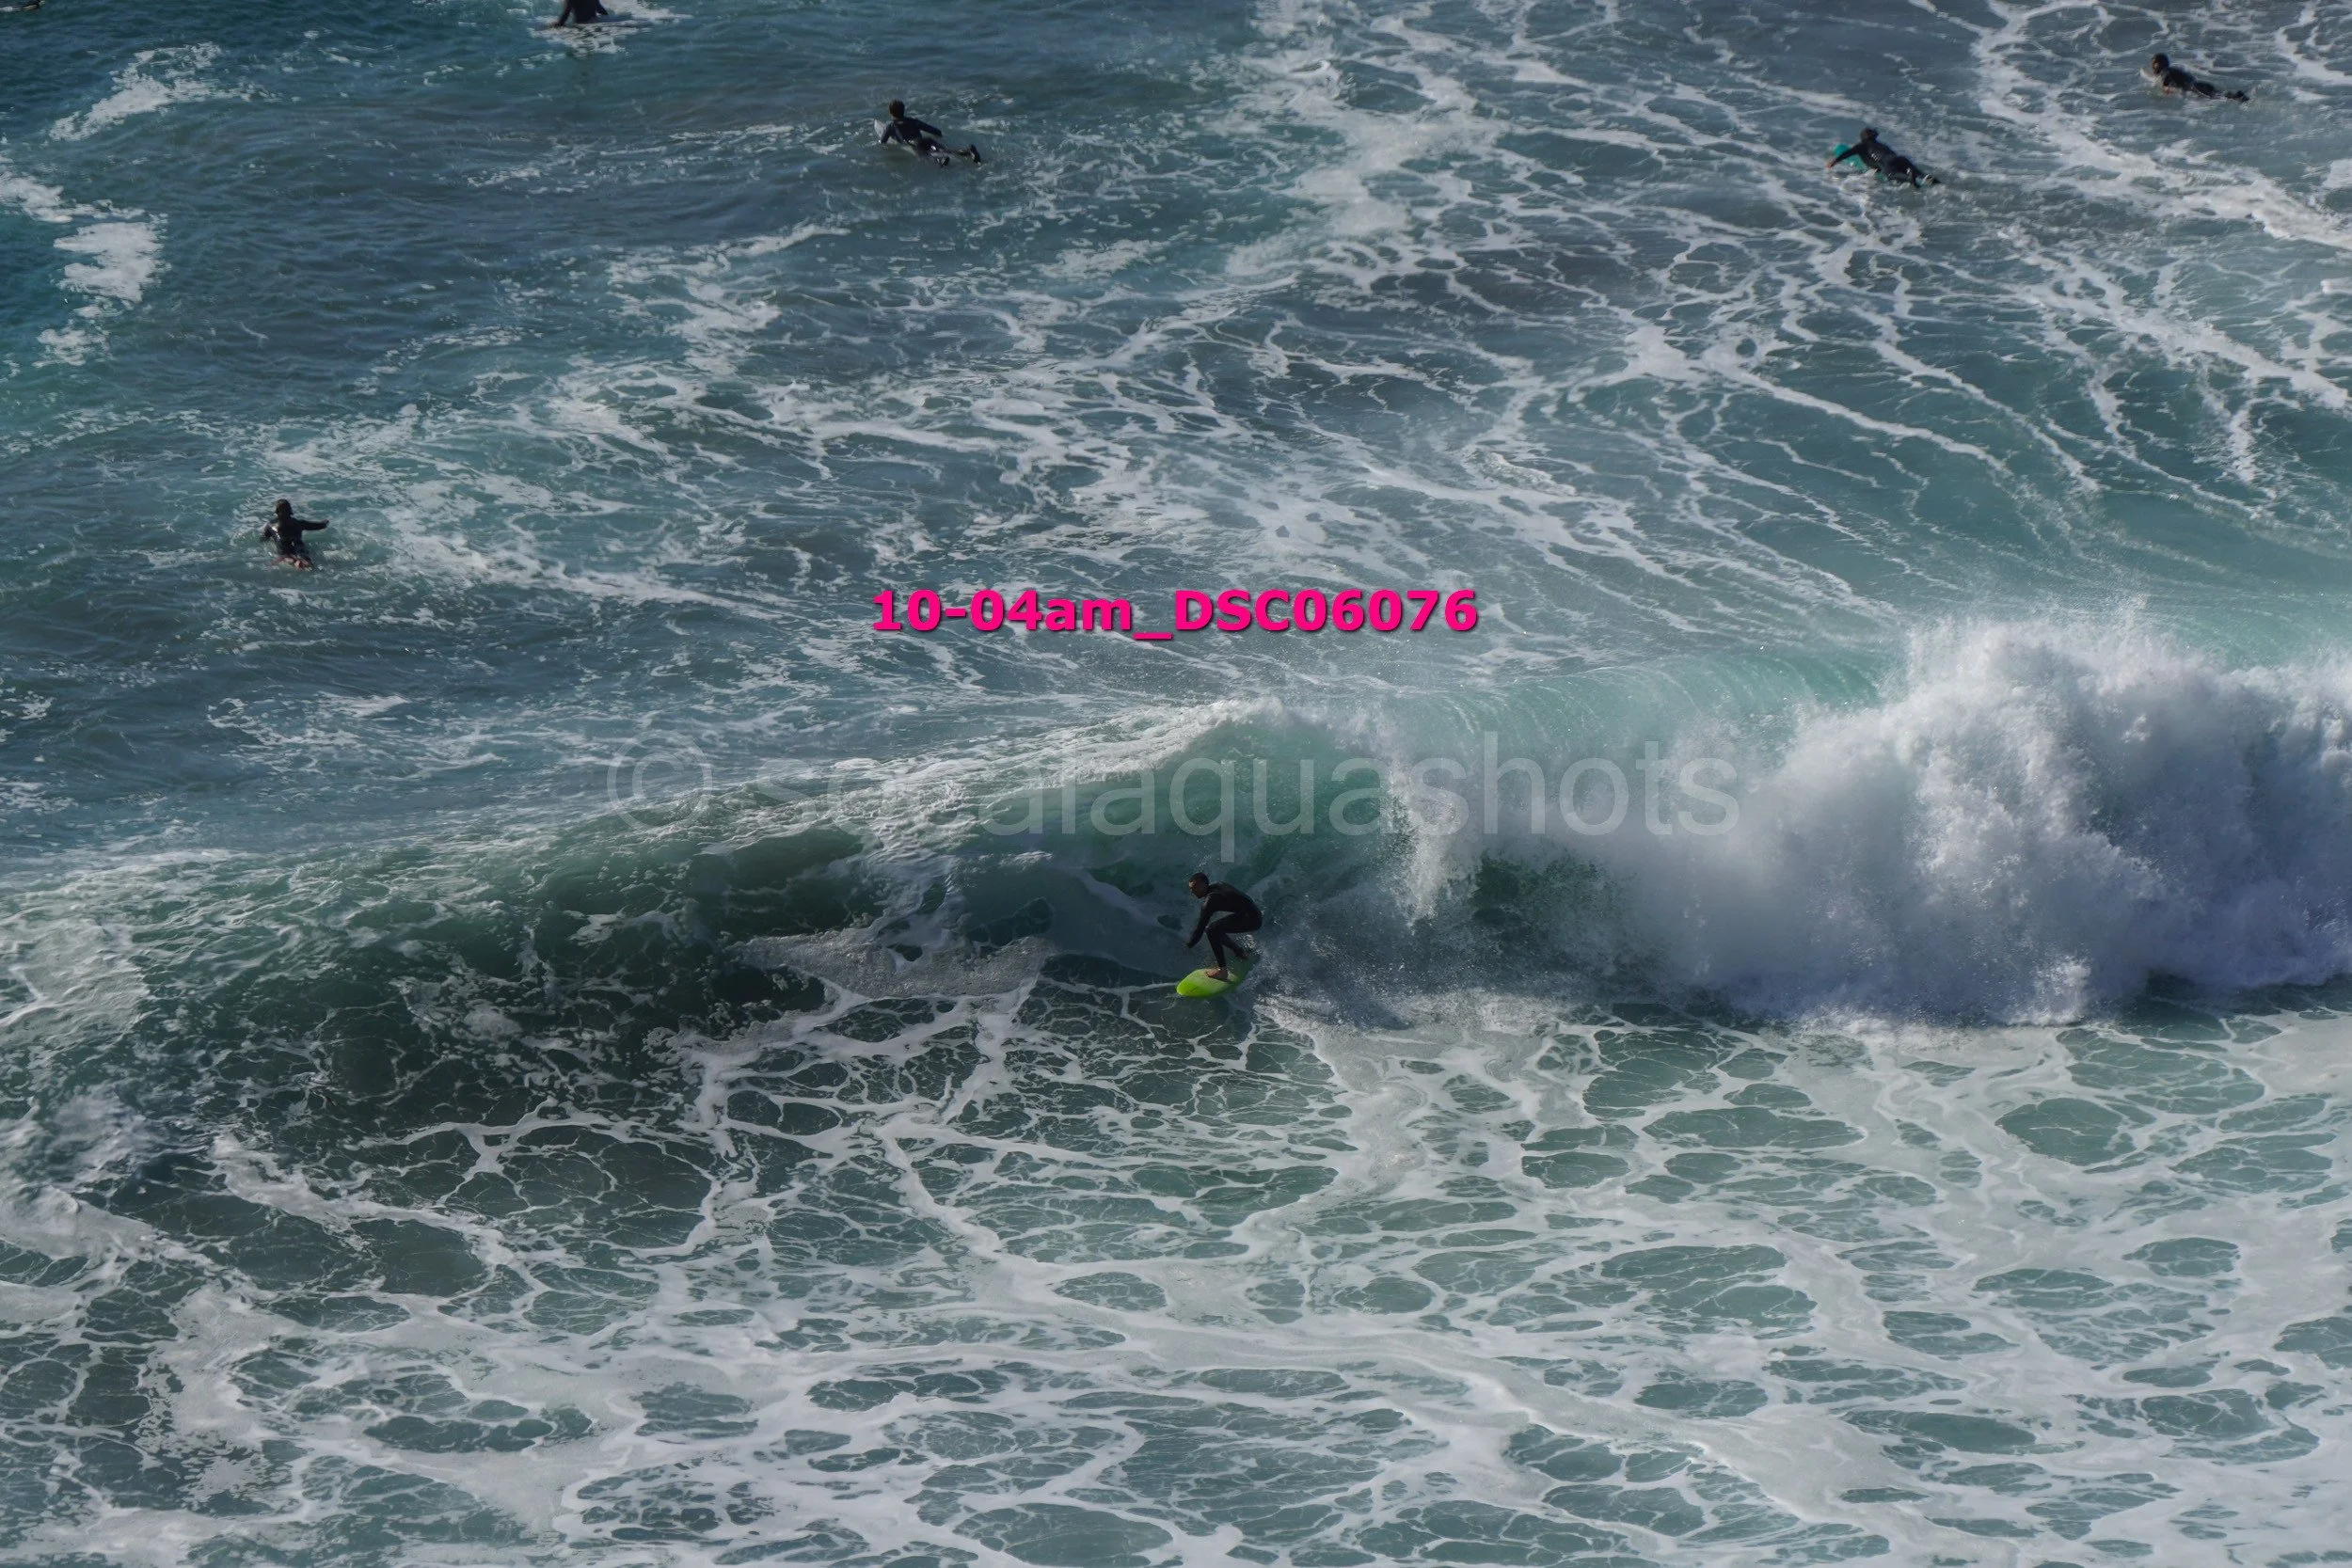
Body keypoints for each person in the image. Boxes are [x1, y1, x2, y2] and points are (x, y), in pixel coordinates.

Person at [1184, 872, 1261, 982]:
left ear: (1204, 885)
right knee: (1215, 928)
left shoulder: (1210, 902)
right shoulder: (1219, 885)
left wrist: (1188, 945)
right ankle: (1240, 952)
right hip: (1252, 914)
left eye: (1194, 888)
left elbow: (1199, 930)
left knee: (1211, 930)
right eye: (1191, 889)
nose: (1192, 892)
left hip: (1252, 920)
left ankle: (1222, 971)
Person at [1828, 127, 1936, 189]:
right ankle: (1930, 179)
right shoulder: (1882, 145)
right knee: (1920, 174)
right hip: (1900, 158)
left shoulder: (1862, 146)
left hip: (1886, 162)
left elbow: (1848, 153)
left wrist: (1835, 161)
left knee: (1891, 175)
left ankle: (1909, 178)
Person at [882, 101, 981, 166]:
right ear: (903, 111)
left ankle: (941, 159)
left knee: (927, 155)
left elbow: (883, 142)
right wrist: (940, 136)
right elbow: (934, 131)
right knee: (946, 150)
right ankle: (968, 151)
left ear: (891, 113)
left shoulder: (891, 126)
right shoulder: (914, 121)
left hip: (915, 144)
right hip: (928, 140)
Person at [2149, 53, 2248, 103]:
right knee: (2219, 95)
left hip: (2195, 88)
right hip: (2201, 84)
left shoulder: (2164, 73)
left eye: (2153, 65)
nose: (2152, 68)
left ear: (2157, 65)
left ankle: (2237, 96)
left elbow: (2166, 88)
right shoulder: (2176, 70)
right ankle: (2237, 95)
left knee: (2218, 98)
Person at [262, 499, 328, 568]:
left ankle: (295, 561)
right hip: (299, 547)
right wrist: (325, 522)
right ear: (290, 511)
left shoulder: (271, 525)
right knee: (306, 560)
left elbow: (263, 538)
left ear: (276, 511)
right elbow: (320, 526)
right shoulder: (299, 523)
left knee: (288, 559)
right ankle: (302, 561)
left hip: (284, 551)